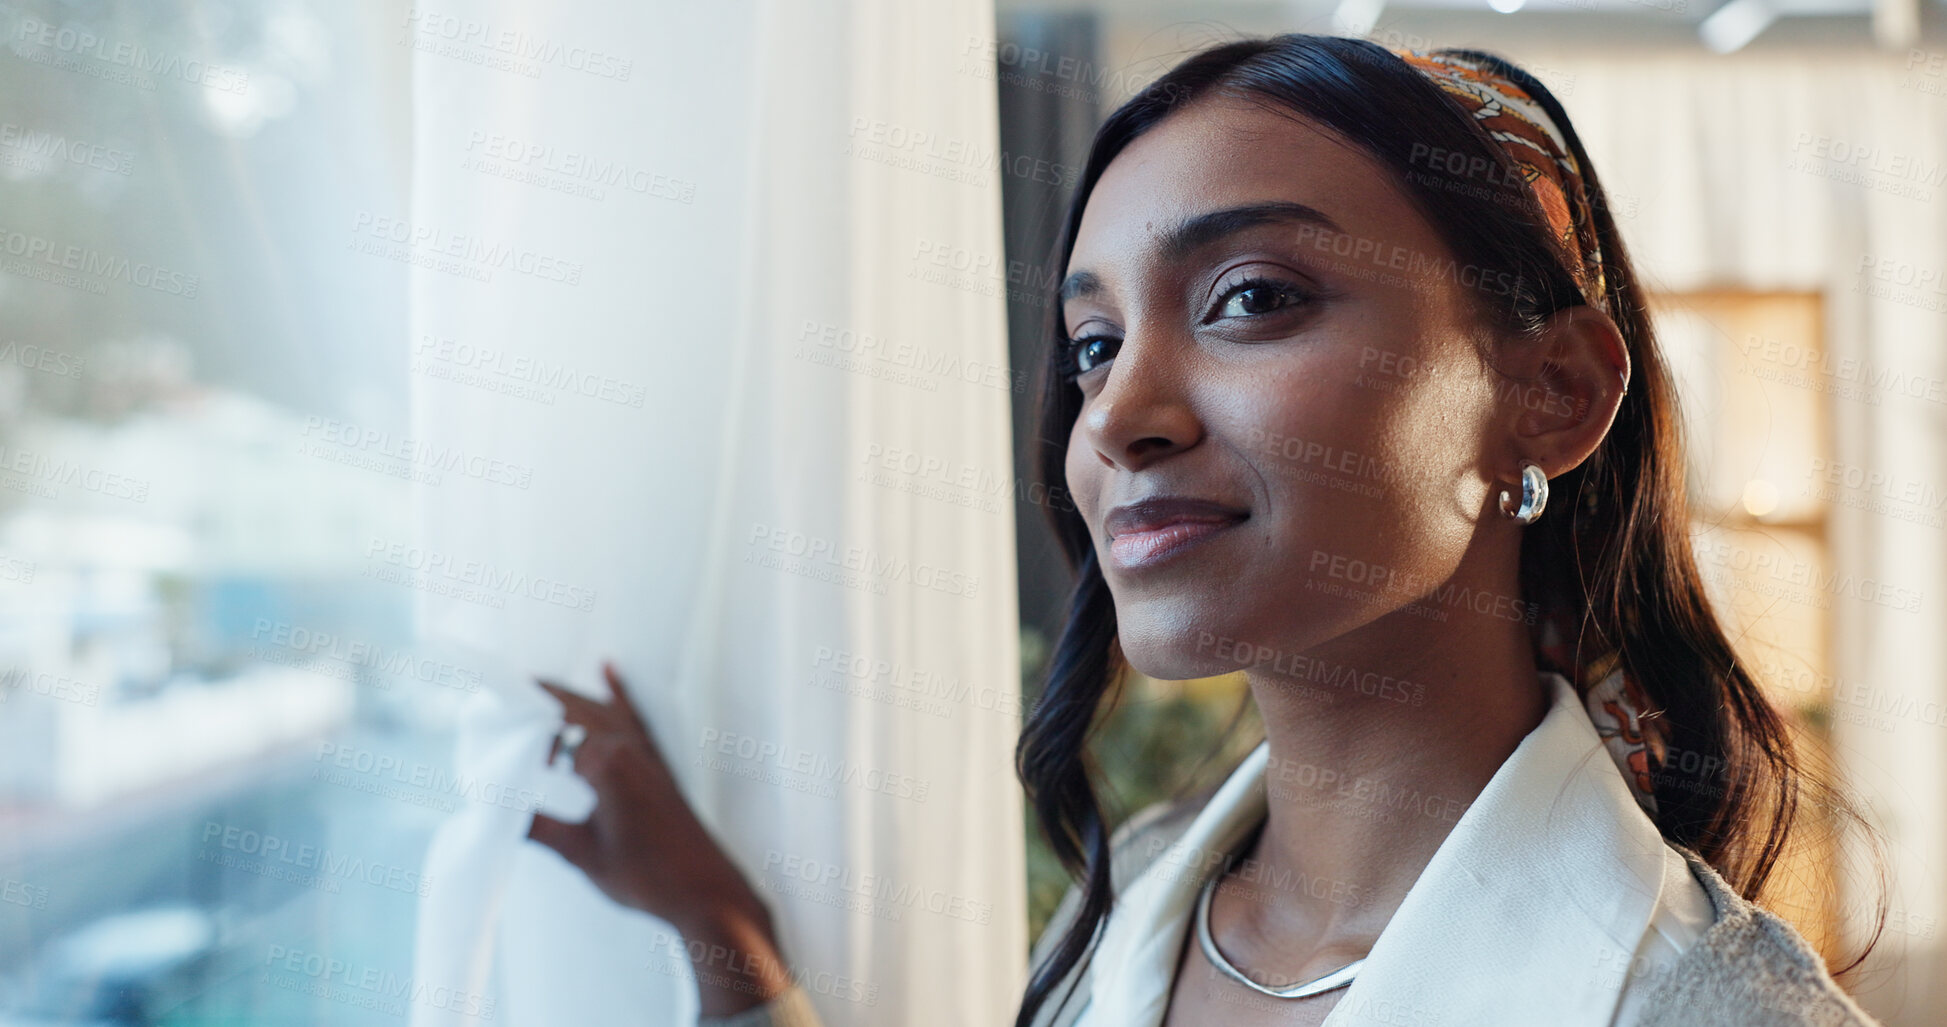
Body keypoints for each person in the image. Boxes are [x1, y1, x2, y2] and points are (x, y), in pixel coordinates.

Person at [525, 34, 1886, 1027]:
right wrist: (728, 950)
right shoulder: (1146, 903)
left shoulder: (1717, 1015)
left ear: (1551, 392)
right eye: (1094, 341)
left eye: (1248, 298)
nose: (1120, 415)